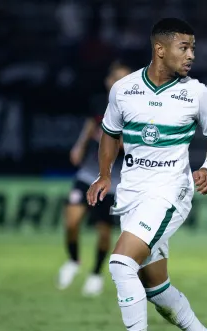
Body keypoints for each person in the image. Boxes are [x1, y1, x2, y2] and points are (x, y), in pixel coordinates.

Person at [87, 18, 207, 331]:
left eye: (193, 48)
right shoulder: (124, 89)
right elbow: (109, 134)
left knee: (120, 264)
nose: (191, 55)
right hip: (131, 194)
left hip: (170, 193)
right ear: (160, 49)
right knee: (157, 289)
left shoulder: (197, 93)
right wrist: (104, 175)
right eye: (185, 47)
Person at [57, 62, 131, 297]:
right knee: (71, 222)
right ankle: (73, 260)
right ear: (109, 82)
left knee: (104, 232)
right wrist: (79, 145)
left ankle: (96, 274)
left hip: (114, 181)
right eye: (116, 78)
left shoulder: (136, 109)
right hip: (88, 173)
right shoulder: (100, 103)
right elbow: (92, 124)